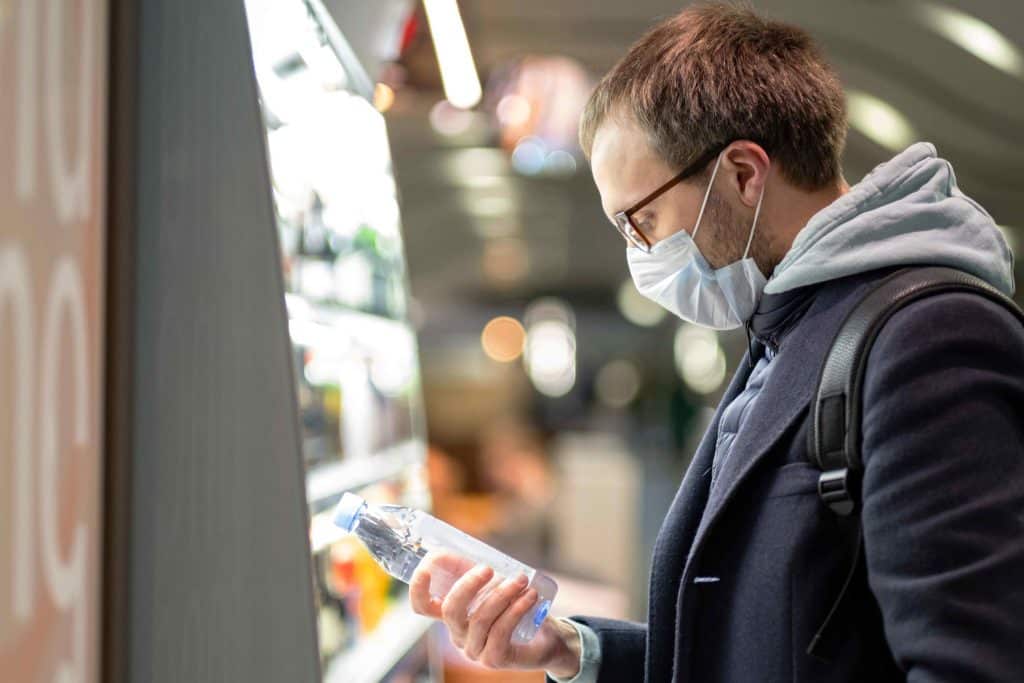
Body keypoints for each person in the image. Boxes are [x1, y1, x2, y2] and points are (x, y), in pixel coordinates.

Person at [409, 3, 1024, 681]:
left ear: (742, 175)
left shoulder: (926, 338)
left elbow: (973, 663)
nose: (638, 254)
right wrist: (573, 649)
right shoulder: (786, 329)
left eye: (643, 221)